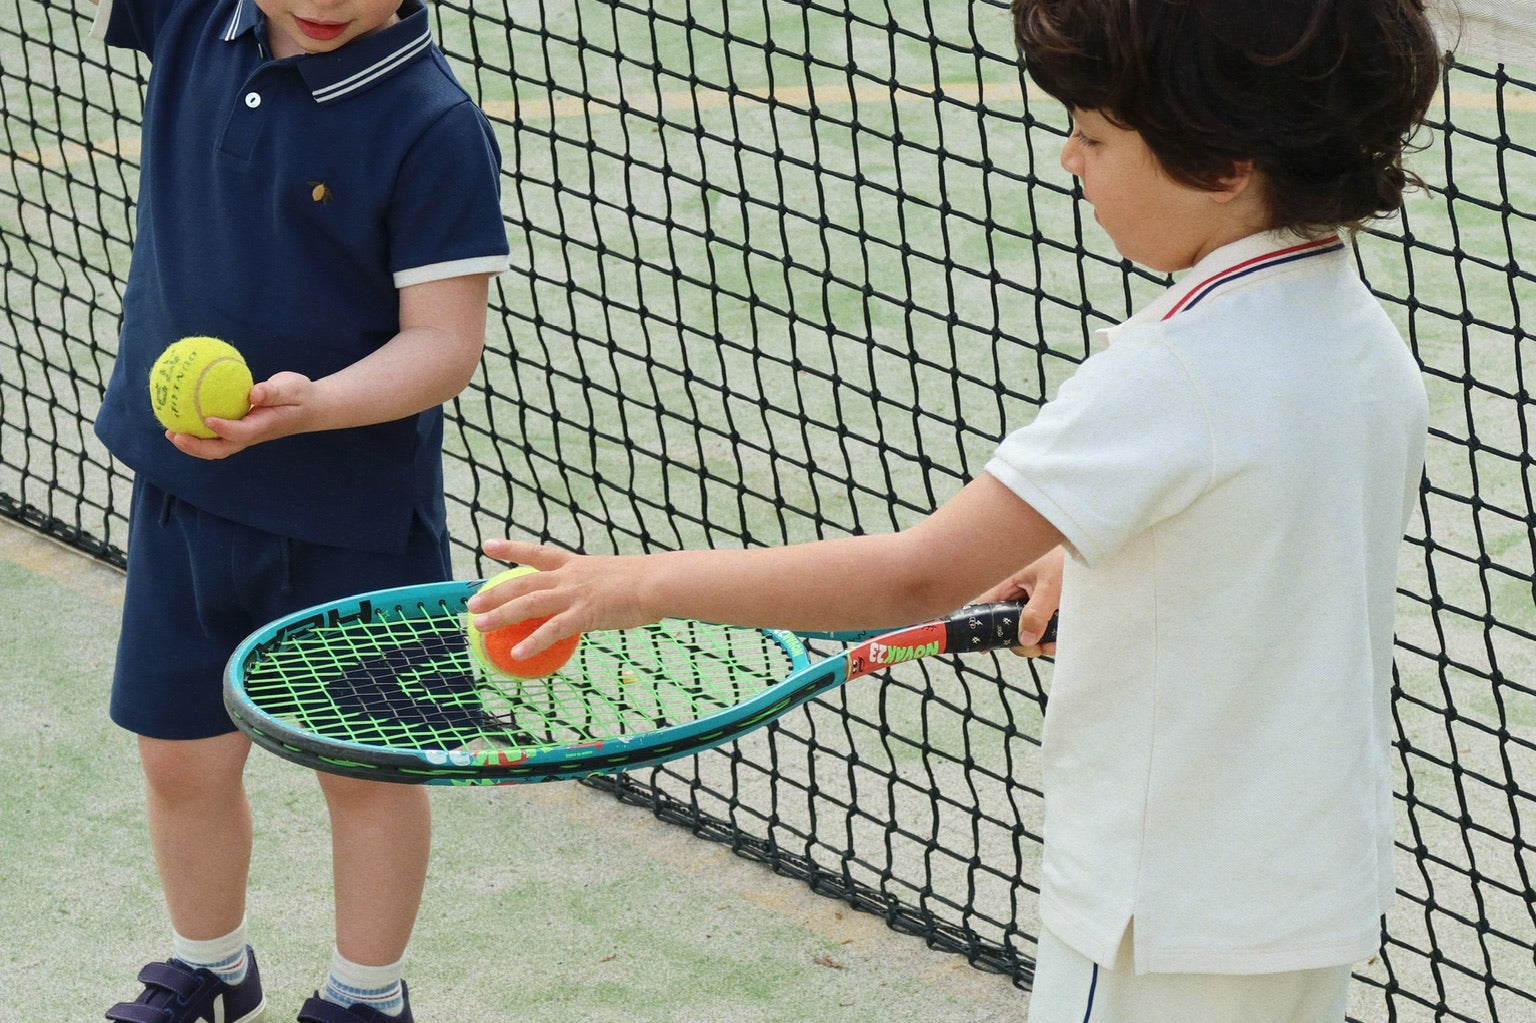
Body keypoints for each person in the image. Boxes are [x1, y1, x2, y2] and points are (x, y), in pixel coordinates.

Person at [467, 0, 1441, 1020]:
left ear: (1224, 163)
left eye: (1098, 136)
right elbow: (1269, 523)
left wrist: (637, 584)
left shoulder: (1173, 369)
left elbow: (916, 574)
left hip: (1157, 905)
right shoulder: (1363, 342)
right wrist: (1098, 552)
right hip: (1304, 892)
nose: (1071, 158)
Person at [88, 0, 508, 1019]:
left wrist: (316, 406)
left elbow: (444, 344)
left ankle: (366, 995)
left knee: (365, 777)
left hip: (352, 518)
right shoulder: (190, 19)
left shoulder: (432, 122)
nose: (322, 3)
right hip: (185, 493)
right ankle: (209, 964)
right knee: (178, 757)